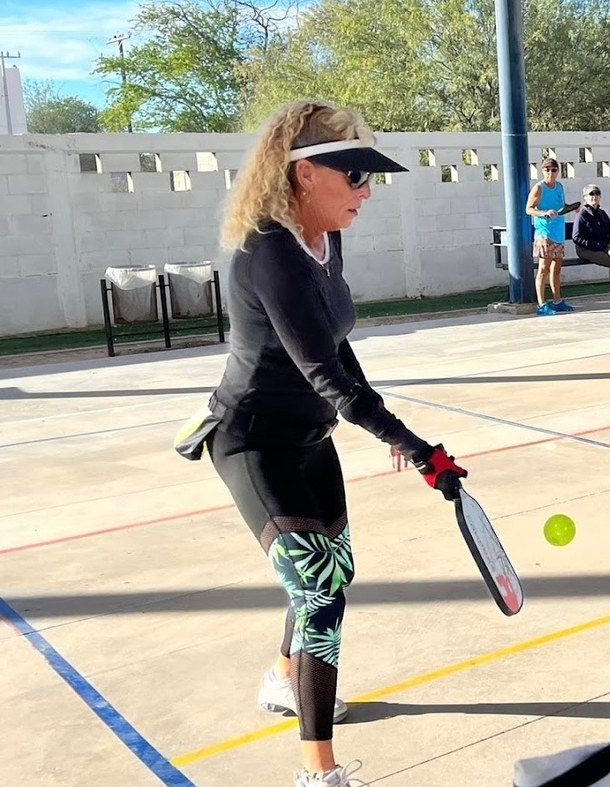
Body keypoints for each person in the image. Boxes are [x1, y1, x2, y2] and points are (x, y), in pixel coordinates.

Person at [188, 101, 468, 787]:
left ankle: (284, 678)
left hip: (311, 437)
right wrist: (416, 447)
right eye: (355, 177)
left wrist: (397, 435)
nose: (367, 192)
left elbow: (337, 349)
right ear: (306, 173)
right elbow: (322, 373)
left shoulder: (324, 238)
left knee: (328, 574)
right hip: (253, 441)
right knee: (320, 594)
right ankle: (320, 772)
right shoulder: (269, 250)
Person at [525, 157, 579, 315]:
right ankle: (541, 304)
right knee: (543, 269)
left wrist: (574, 207)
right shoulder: (539, 188)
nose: (550, 172)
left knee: (556, 269)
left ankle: (557, 300)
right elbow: (529, 209)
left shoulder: (559, 187)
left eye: (553, 169)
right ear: (543, 171)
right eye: (547, 169)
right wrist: (544, 213)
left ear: (558, 171)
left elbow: (562, 207)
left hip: (558, 233)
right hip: (544, 233)